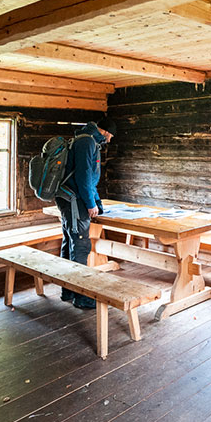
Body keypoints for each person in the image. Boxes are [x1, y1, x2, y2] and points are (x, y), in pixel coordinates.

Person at [55, 117, 116, 309]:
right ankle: (81, 297)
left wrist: (96, 202)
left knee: (70, 243)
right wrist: (91, 204)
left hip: (72, 198)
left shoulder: (85, 138)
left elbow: (89, 178)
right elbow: (83, 177)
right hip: (75, 200)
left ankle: (68, 291)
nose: (110, 140)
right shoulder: (87, 142)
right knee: (80, 246)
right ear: (105, 131)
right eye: (111, 136)